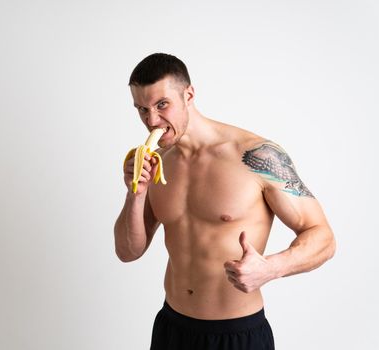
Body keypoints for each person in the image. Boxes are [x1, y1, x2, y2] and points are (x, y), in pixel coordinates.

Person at [114, 53, 336, 350]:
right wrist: (135, 193)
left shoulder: (256, 156)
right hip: (172, 327)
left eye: (161, 105)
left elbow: (323, 237)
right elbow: (128, 251)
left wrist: (271, 268)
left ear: (189, 95)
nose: (151, 120)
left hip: (237, 334)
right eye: (141, 109)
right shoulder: (158, 162)